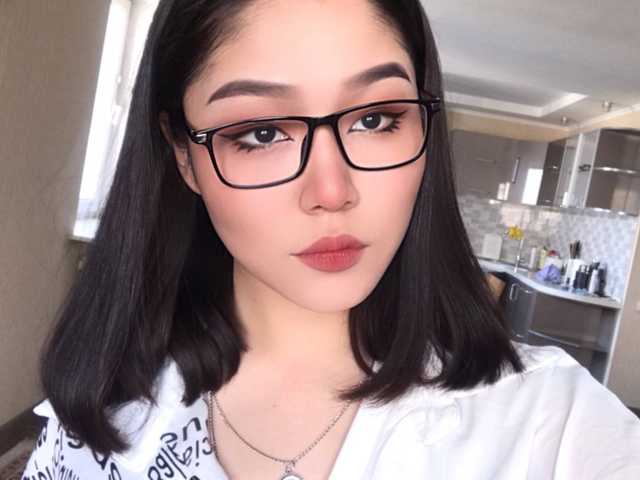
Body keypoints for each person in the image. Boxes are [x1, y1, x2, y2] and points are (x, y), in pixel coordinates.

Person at [22, 0, 640, 478]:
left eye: (375, 119)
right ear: (184, 155)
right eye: (262, 132)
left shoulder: (552, 424)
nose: (331, 190)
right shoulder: (109, 405)